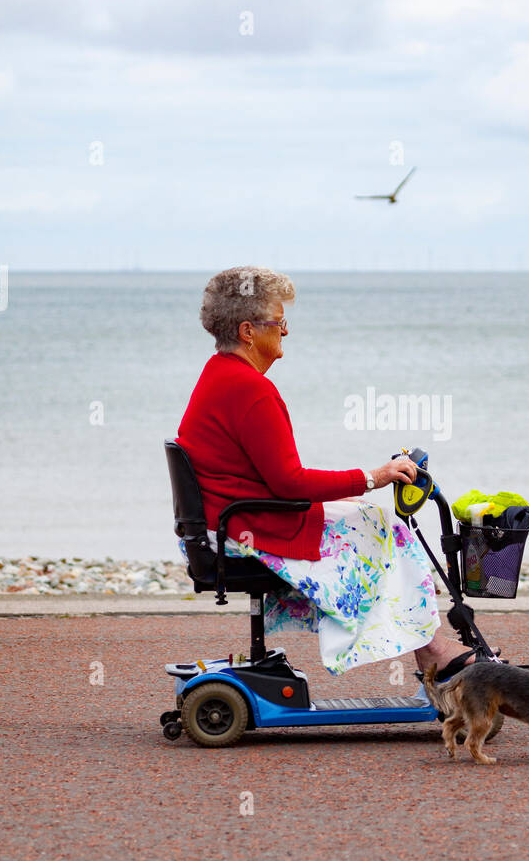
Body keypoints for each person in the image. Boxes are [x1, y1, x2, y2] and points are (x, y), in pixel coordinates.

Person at [176, 265, 484, 679]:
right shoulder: (251, 389)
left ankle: (427, 646)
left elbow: (269, 478)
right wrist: (376, 476)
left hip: (225, 523)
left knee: (362, 515)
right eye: (279, 321)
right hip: (243, 530)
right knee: (384, 526)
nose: (285, 331)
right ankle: (432, 650)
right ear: (249, 331)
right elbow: (289, 482)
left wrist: (345, 495)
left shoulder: (220, 373)